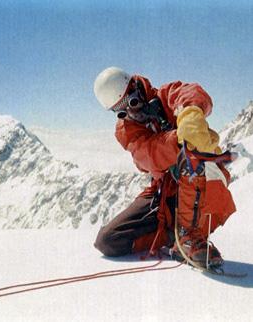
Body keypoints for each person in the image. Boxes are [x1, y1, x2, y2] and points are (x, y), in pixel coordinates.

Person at [92, 66, 236, 268]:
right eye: (121, 110)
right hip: (165, 188)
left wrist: (190, 114)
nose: (132, 112)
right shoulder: (126, 130)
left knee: (192, 156)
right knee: (108, 240)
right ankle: (172, 238)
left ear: (137, 87)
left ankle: (189, 238)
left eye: (131, 101)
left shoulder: (165, 95)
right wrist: (177, 139)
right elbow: (146, 156)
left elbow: (189, 92)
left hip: (203, 179)